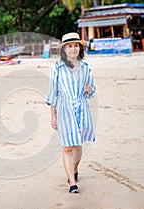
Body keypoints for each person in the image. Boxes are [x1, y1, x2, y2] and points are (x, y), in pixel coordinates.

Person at [46, 32, 96, 193]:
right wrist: (53, 116)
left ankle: (74, 169)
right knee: (68, 147)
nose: (73, 49)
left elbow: (91, 91)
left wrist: (89, 89)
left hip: (81, 109)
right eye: (70, 46)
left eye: (76, 46)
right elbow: (53, 93)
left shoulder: (86, 68)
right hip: (64, 110)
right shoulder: (57, 69)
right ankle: (72, 183)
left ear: (80, 48)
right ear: (64, 49)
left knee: (78, 143)